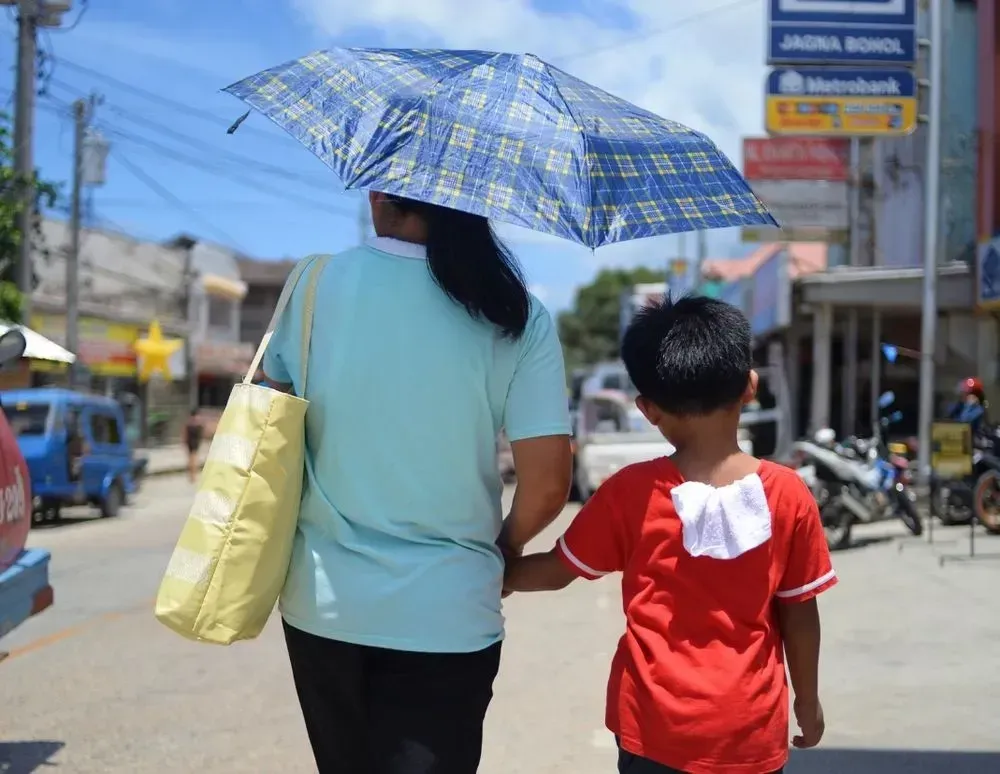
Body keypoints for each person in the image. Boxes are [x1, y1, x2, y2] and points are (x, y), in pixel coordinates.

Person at [257, 191, 572, 774]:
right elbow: (549, 484)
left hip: (324, 605)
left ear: (380, 195)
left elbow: (273, 424)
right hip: (450, 609)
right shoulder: (515, 313)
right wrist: (504, 547)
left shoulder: (314, 283)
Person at [504, 296, 837, 774]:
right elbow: (800, 613)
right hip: (750, 730)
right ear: (750, 387)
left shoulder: (630, 492)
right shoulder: (788, 494)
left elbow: (557, 572)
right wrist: (807, 700)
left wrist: (495, 567)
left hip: (651, 727)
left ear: (648, 409)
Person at [182, 409, 203, 483]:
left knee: (190, 459)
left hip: (189, 443)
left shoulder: (188, 423)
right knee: (194, 459)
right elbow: (202, 433)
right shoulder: (198, 423)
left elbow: (185, 434)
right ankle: (193, 476)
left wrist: (184, 442)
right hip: (195, 442)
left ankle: (191, 475)